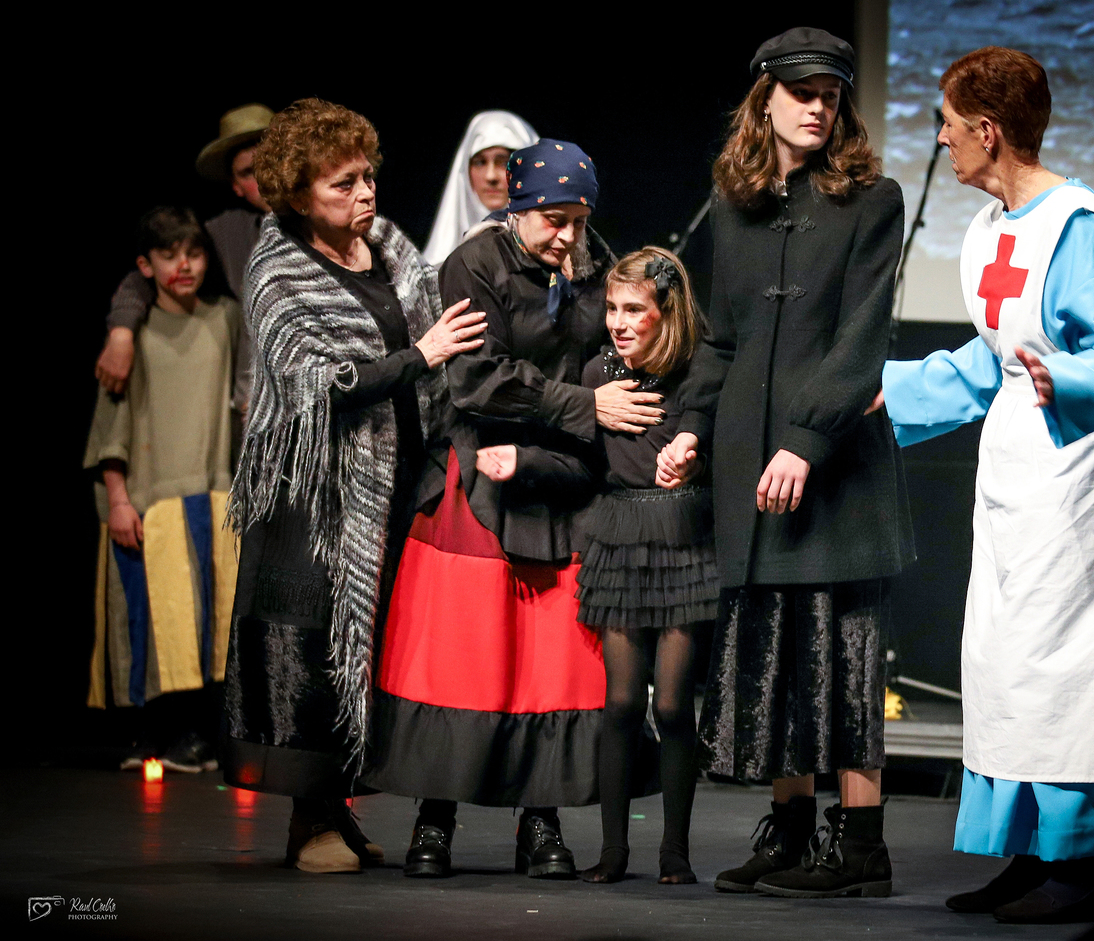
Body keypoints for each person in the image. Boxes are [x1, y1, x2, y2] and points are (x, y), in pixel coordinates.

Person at [876, 47, 1094, 925]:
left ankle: (1075, 869)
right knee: (1005, 661)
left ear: (988, 131)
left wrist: (1058, 379)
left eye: (949, 125)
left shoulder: (1076, 227)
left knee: (1061, 666)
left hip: (1083, 474)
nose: (942, 140)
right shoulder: (993, 227)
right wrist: (892, 391)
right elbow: (993, 356)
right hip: (1017, 473)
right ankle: (1029, 857)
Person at [364, 139, 663, 879]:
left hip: (561, 483)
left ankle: (541, 822)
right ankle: (435, 820)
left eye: (579, 220)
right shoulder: (475, 264)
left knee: (546, 662)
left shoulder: (597, 264)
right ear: (518, 208)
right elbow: (476, 379)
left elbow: (615, 355)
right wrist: (583, 404)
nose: (567, 236)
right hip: (481, 480)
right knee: (461, 655)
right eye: (553, 220)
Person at [664, 26, 915, 898]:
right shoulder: (734, 203)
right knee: (775, 652)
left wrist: (805, 441)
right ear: (764, 96)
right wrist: (692, 427)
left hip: (835, 467)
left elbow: (864, 338)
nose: (817, 107)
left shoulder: (872, 199)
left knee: (842, 656)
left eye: (830, 94)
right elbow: (722, 339)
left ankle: (862, 848)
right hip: (750, 467)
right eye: (801, 91)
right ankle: (792, 832)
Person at [221, 98, 486, 874]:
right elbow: (316, 383)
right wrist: (420, 357)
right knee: (309, 651)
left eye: (368, 176)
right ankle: (309, 823)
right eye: (343, 184)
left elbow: (439, 327)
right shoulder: (278, 268)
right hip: (311, 496)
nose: (365, 193)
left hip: (388, 481)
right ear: (301, 196)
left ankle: (339, 808)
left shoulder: (390, 248)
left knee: (366, 649)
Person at [576, 247, 718, 886]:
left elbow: (712, 440)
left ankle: (674, 852)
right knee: (622, 702)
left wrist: (691, 460)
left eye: (634, 309)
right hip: (619, 537)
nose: (618, 321)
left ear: (668, 312)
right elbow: (581, 458)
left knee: (674, 704)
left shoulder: (697, 373)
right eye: (612, 307)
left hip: (682, 537)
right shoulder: (597, 373)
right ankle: (613, 851)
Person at [85, 207, 242, 773]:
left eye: (193, 253)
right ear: (145, 265)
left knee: (210, 620)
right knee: (156, 619)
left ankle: (199, 735)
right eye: (169, 255)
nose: (184, 265)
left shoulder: (225, 317)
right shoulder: (135, 331)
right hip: (150, 494)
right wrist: (118, 497)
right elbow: (112, 418)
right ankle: (157, 730)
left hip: (213, 488)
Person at [94, 103, 275, 407]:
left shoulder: (334, 217)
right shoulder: (230, 234)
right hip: (256, 416)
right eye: (248, 172)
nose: (265, 177)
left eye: (271, 161)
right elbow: (146, 276)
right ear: (237, 187)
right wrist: (121, 333)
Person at [421, 110, 538, 265]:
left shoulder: (554, 259)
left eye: (504, 163)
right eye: (480, 162)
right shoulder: (438, 270)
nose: (491, 176)